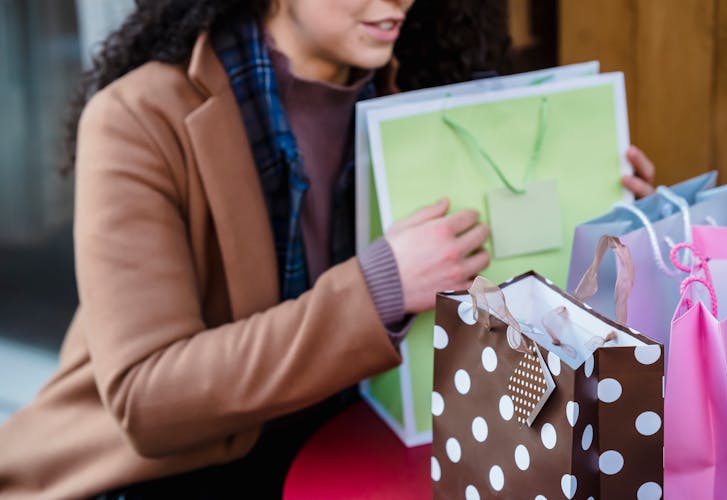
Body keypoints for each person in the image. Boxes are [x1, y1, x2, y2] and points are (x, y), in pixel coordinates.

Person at [0, 1, 655, 498]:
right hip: (165, 477)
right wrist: (374, 291)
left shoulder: (422, 100)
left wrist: (598, 217)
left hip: (360, 447)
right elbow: (148, 400)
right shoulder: (137, 118)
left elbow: (495, 283)